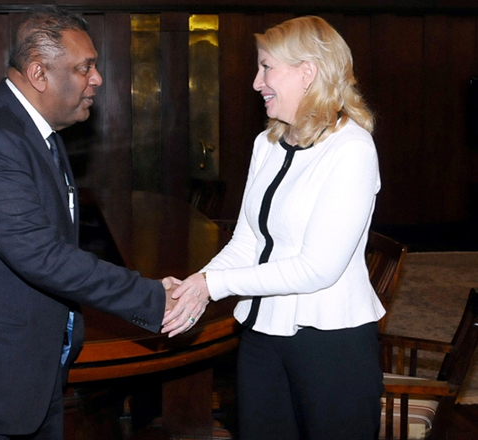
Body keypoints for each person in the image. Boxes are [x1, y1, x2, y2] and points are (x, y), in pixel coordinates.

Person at [0, 6, 179, 440]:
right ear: (38, 73)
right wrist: (155, 298)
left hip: (23, 372)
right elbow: (43, 257)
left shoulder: (35, 131)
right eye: (85, 67)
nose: (97, 78)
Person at [163, 15, 385, 440]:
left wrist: (214, 285)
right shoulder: (266, 144)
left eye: (266, 67)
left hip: (331, 344)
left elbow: (317, 269)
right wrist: (196, 285)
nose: (255, 82)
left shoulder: (351, 149)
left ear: (307, 73)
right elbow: (248, 240)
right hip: (261, 336)